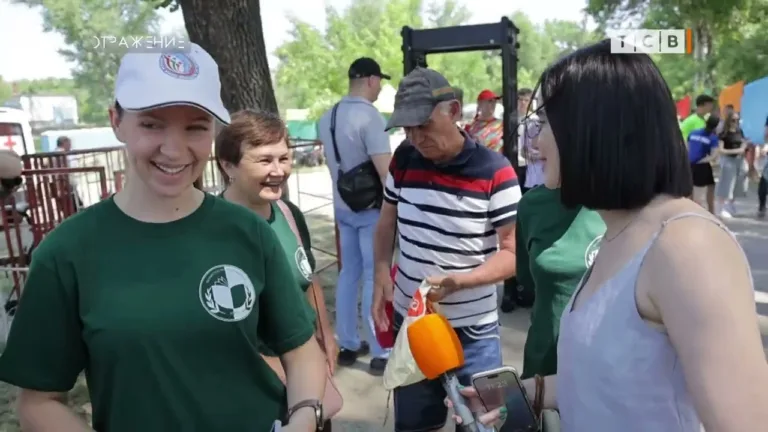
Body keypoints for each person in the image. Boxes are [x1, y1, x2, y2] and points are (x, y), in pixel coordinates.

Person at [0, 45, 328, 432]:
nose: (174, 149)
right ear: (116, 121)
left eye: (196, 127)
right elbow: (37, 402)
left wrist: (304, 417)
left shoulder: (249, 232)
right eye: (152, 125)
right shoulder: (66, 252)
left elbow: (301, 349)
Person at [447, 39, 768, 432]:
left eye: (545, 123)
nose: (536, 140)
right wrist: (517, 394)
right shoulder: (618, 232)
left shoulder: (688, 245)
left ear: (593, 127)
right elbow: (607, 380)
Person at [372, 67, 522, 432]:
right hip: (414, 325)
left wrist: (461, 281)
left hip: (475, 333)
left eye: (423, 125)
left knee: (486, 424)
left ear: (453, 111)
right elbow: (387, 221)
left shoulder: (496, 171)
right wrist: (380, 272)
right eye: (406, 128)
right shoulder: (403, 158)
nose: (415, 137)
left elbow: (514, 253)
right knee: (414, 426)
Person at [215, 109, 336, 431]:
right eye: (265, 160)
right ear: (228, 165)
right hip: (252, 388)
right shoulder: (211, 230)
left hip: (307, 380)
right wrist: (276, 367)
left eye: (284, 158)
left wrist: (326, 339)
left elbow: (308, 279)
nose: (278, 170)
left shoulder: (289, 213)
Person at [317, 57, 392, 374]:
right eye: (380, 82)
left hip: (342, 207)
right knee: (375, 275)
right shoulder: (370, 117)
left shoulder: (327, 117)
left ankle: (348, 343)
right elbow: (385, 172)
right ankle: (379, 350)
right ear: (371, 80)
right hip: (371, 209)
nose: (380, 88)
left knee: (348, 273)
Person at [516, 141, 606, 378]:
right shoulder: (531, 205)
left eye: (549, 126)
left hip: (604, 372)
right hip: (544, 366)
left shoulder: (626, 204)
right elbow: (528, 283)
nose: (537, 142)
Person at [716, 111, 749, 218]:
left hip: (740, 160)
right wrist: (737, 151)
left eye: (737, 120)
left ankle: (731, 204)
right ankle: (722, 207)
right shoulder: (724, 134)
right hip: (728, 159)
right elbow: (721, 150)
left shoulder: (739, 131)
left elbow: (743, 142)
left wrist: (744, 146)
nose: (735, 122)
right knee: (726, 183)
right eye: (733, 120)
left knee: (739, 182)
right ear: (728, 121)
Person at [687, 114, 720, 213]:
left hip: (689, 163)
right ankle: (710, 212)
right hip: (701, 165)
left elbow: (687, 147)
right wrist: (702, 160)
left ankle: (690, 211)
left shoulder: (693, 133)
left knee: (692, 189)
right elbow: (713, 155)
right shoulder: (713, 138)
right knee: (704, 191)